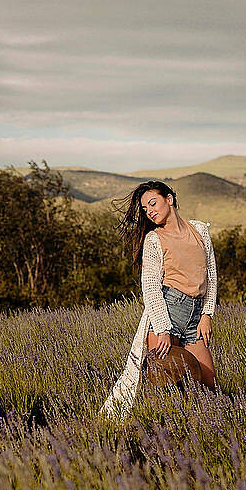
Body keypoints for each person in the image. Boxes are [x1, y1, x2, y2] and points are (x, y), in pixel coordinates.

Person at [100, 180, 218, 419]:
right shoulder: (154, 240)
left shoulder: (200, 231)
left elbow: (211, 276)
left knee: (209, 386)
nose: (149, 211)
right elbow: (151, 287)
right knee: (159, 388)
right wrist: (163, 329)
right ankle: (150, 438)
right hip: (168, 312)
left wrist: (207, 315)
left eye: (153, 203)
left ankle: (204, 433)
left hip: (196, 316)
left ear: (169, 199)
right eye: (145, 209)